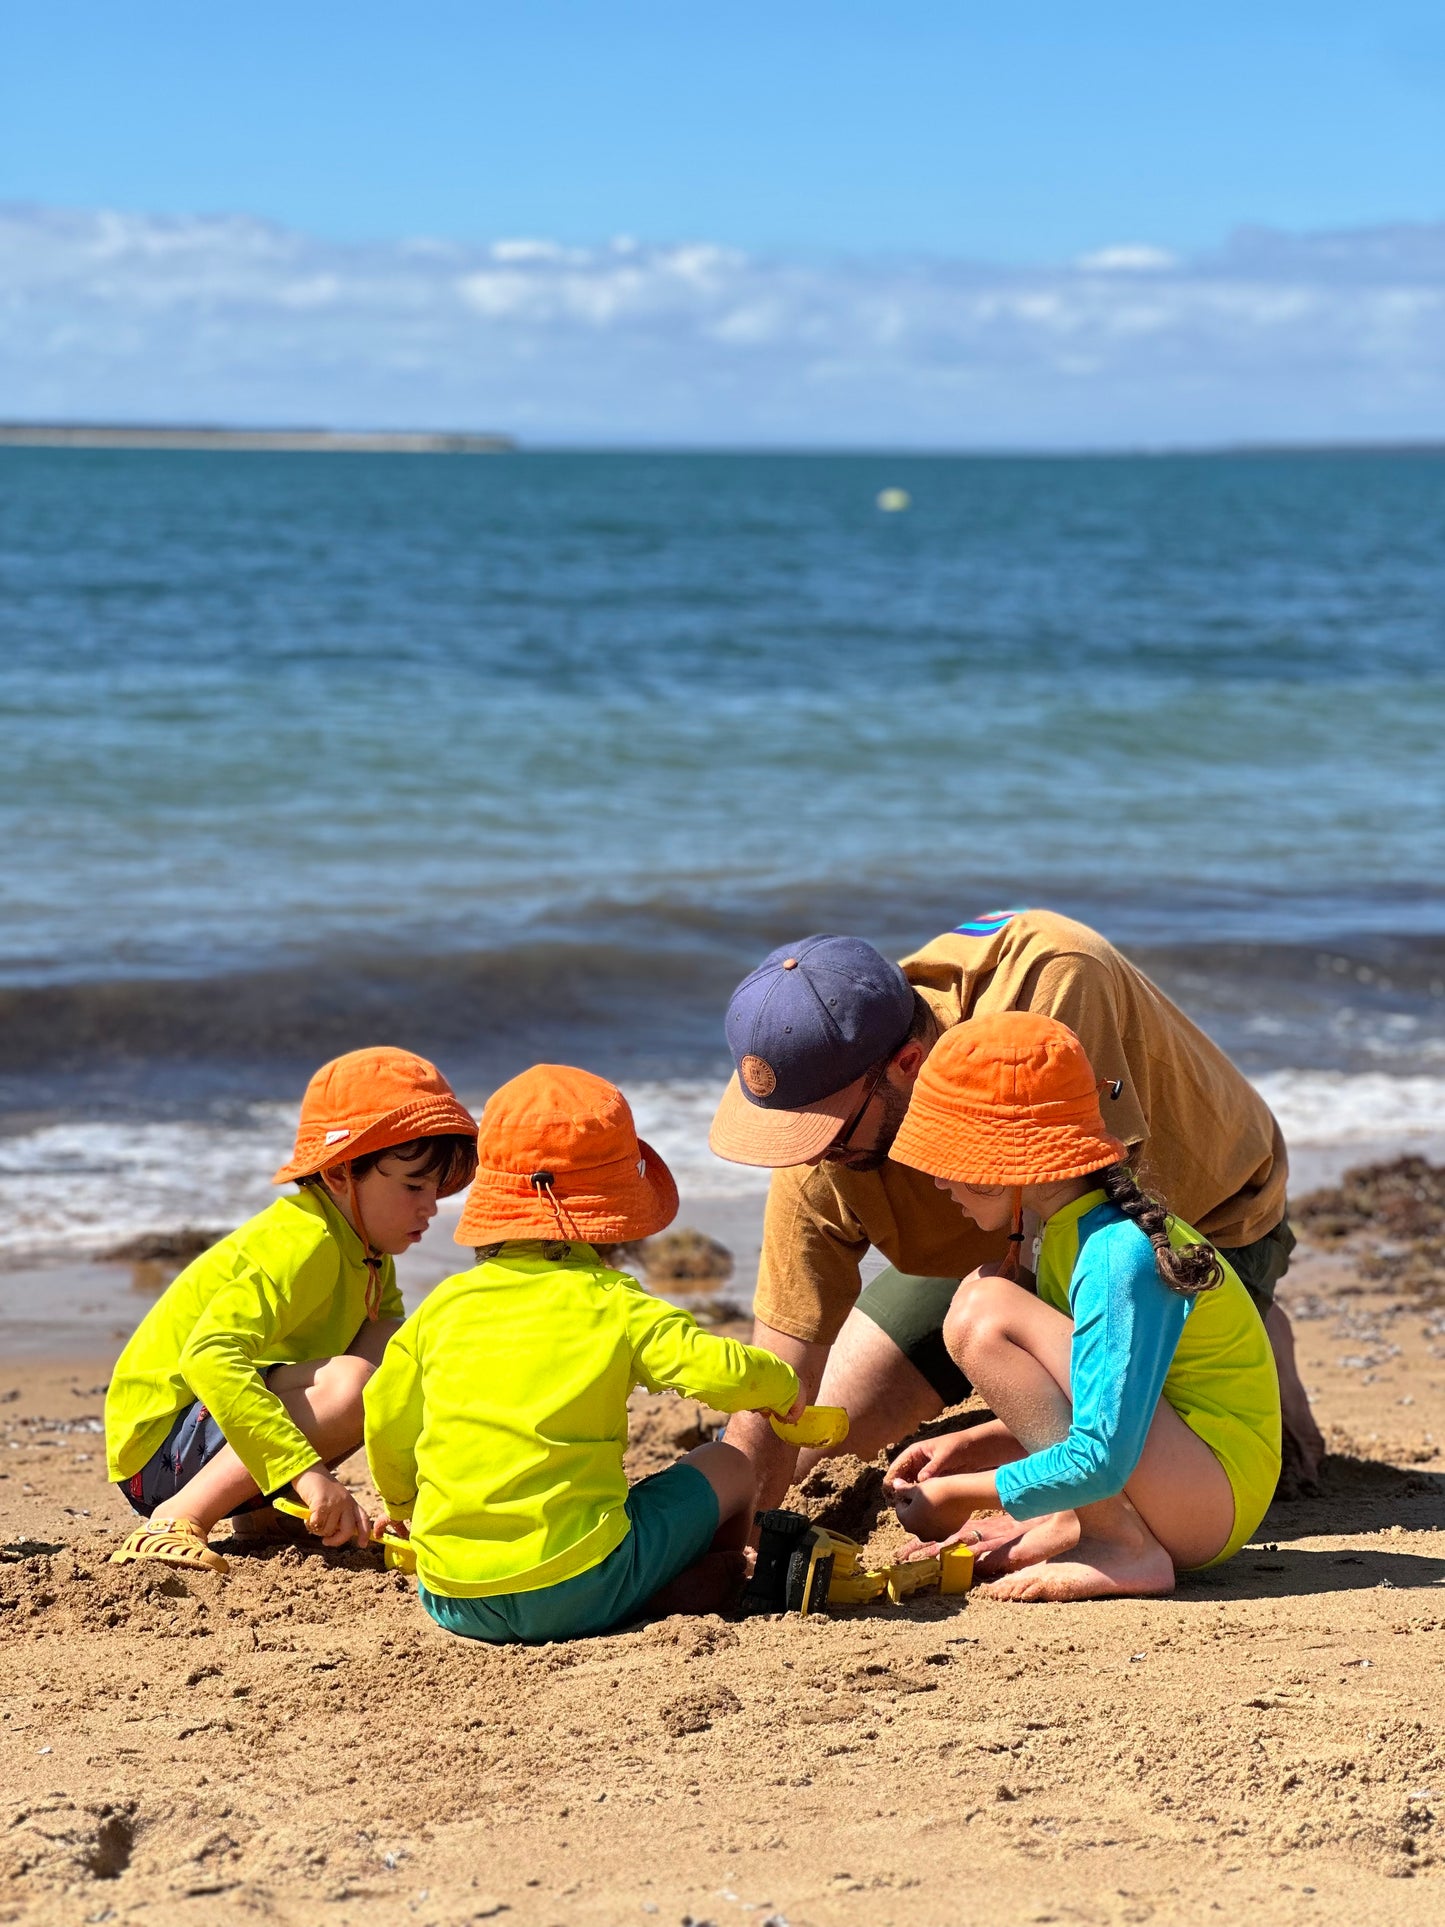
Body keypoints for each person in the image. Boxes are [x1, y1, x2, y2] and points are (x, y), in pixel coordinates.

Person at [708, 908, 1320, 1508]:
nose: (813, 1159)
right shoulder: (820, 1094)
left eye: (831, 1135)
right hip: (989, 1238)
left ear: (908, 1066)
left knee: (1098, 1436)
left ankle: (1254, 1330)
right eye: (793, 1135)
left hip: (1184, 1221)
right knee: (817, 1449)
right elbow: (778, 1376)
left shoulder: (1051, 986)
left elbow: (1101, 1237)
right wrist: (737, 1527)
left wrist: (1023, 1474)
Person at [363, 1064, 804, 1644]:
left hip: (450, 1595)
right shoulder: (614, 1302)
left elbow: (386, 1414)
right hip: (580, 1586)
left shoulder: (443, 1305)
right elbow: (716, 1371)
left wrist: (403, 1502)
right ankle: (708, 1582)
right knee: (728, 1465)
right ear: (614, 1210)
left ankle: (654, 1585)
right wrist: (785, 1388)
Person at [880, 1010, 1282, 1599]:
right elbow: (1103, 1399)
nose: (939, 1183)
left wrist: (963, 1492)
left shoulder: (1117, 1254)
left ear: (1000, 1160)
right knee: (986, 1292)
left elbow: (1102, 1455)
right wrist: (967, 1446)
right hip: (1186, 1479)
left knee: (981, 1311)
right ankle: (1081, 1523)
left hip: (1210, 1498)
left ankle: (1123, 1546)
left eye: (948, 1163)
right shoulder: (1064, 1230)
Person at [105, 1047, 478, 1572]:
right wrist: (307, 1474)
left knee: (401, 1352)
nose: (431, 1207)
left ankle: (258, 1513)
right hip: (157, 1451)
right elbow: (208, 1358)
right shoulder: (305, 1240)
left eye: (437, 1188)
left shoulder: (367, 1249)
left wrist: (409, 1501)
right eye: (414, 1186)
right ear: (341, 1174)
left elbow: (397, 1383)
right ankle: (177, 1517)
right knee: (352, 1385)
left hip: (207, 1438)